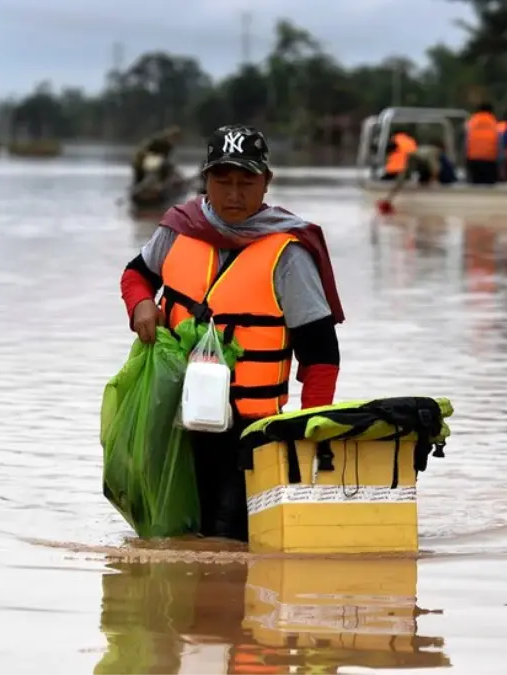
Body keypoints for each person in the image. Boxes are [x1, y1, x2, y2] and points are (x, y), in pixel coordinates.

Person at [119, 124, 345, 542]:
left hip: (247, 431)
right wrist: (142, 305)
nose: (234, 194)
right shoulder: (178, 229)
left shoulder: (289, 255)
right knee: (167, 536)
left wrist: (312, 433)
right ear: (205, 180)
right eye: (223, 181)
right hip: (174, 418)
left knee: (228, 540)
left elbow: (321, 356)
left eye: (247, 182)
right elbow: (136, 275)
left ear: (267, 183)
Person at [375, 139, 457, 214]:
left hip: (439, 160)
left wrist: (434, 184)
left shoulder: (427, 155)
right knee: (422, 180)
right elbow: (401, 180)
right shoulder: (411, 160)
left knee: (446, 177)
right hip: (426, 166)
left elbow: (436, 169)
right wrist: (389, 199)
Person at [464, 103, 500, 184]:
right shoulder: (493, 121)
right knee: (489, 187)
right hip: (489, 159)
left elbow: (466, 141)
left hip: (473, 159)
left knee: (475, 186)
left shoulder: (472, 121)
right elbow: (499, 142)